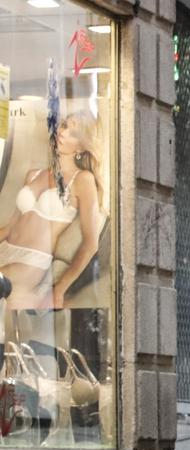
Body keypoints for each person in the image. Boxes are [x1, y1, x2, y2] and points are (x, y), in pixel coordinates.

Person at [1, 111, 104, 309]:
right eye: (64, 126)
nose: (63, 133)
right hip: (5, 250)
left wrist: (60, 288)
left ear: (82, 146)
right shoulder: (33, 174)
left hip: (31, 262)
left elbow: (91, 244)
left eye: (73, 132)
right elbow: (10, 228)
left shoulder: (82, 180)